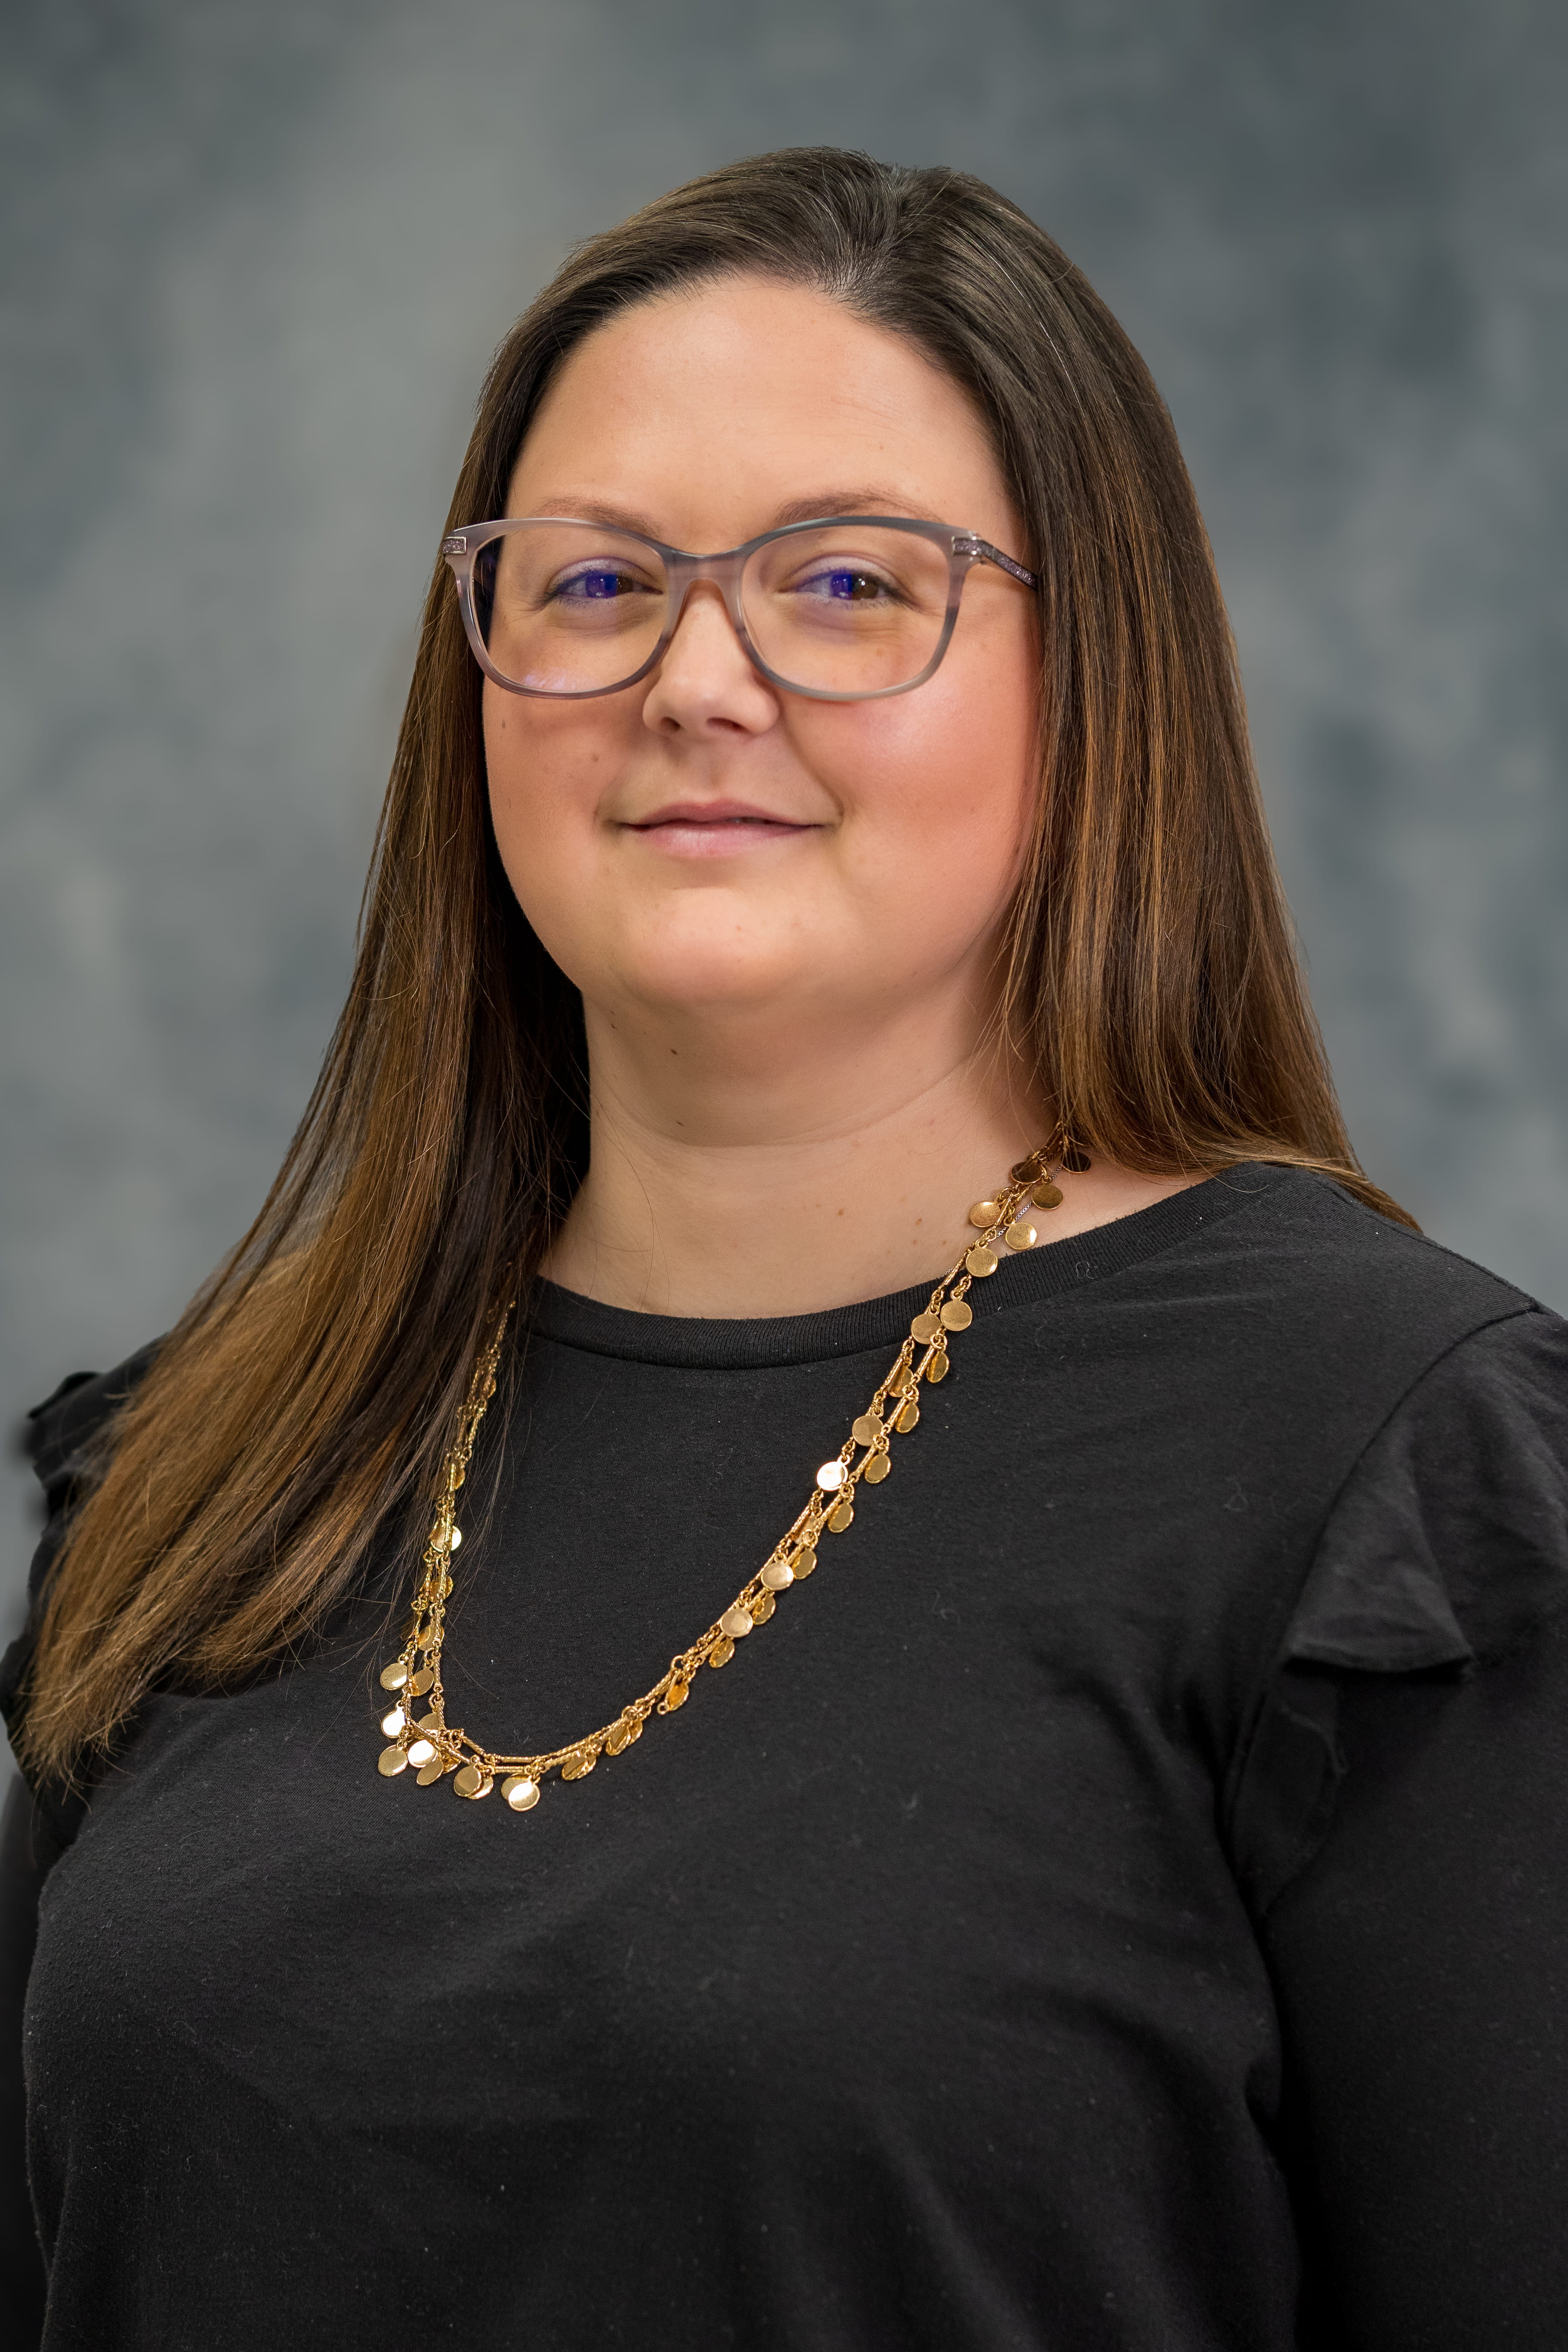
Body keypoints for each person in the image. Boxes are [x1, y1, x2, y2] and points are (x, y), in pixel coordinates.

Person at [2, 147, 1565, 2352]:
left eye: (847, 586)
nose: (697, 681)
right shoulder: (217, 1461)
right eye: (594, 584)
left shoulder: (1380, 1482)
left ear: (1091, 678)